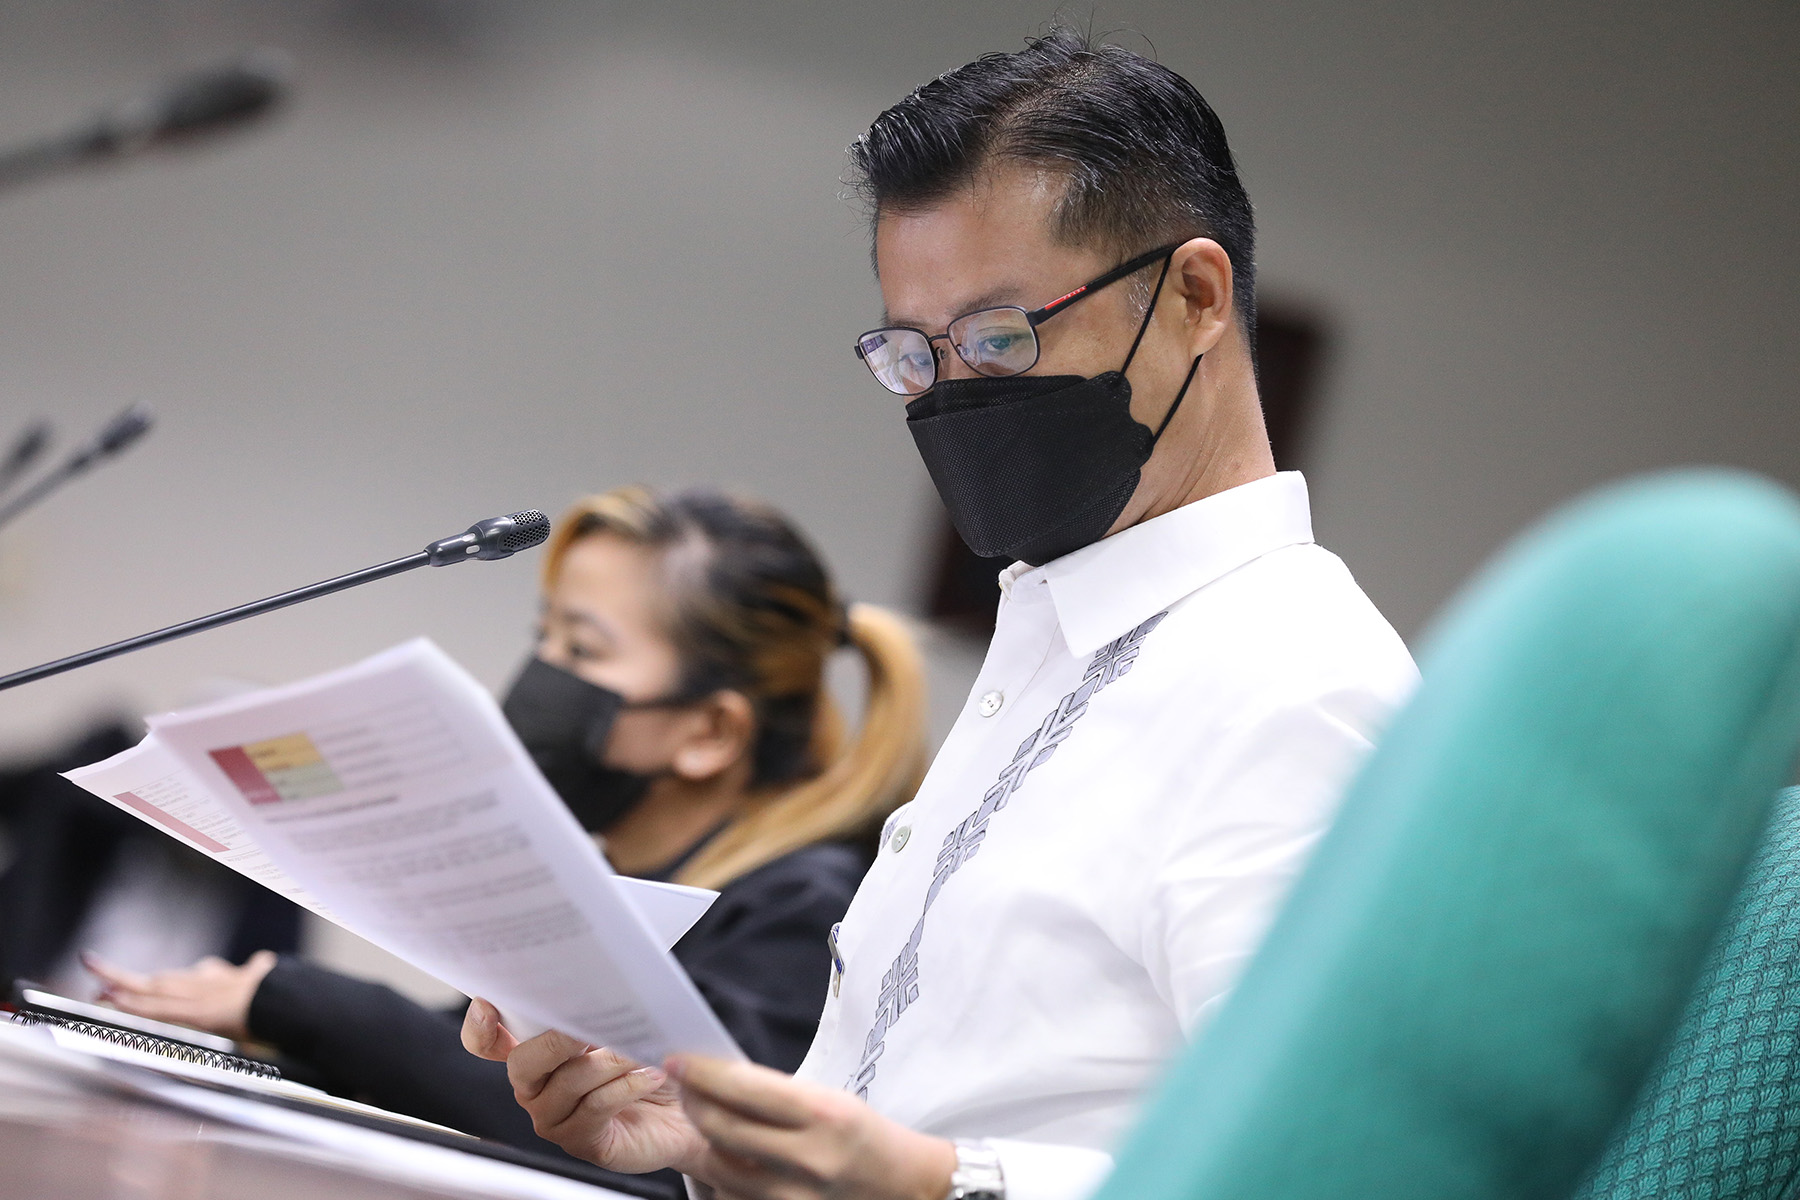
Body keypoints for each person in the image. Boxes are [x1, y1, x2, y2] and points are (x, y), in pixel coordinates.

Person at [464, 25, 1422, 1200]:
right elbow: (918, 1112)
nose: (955, 393)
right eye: (915, 354)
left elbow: (1334, 1175)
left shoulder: (1297, 687)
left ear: (1195, 297)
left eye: (1001, 337)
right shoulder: (1057, 642)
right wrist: (710, 1138)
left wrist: (932, 1182)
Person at [85, 486, 928, 1172]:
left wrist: (293, 999)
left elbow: (642, 1141)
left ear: (709, 732)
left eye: (582, 650)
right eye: (543, 636)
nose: (541, 676)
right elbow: (471, 1064)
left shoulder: (809, 913)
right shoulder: (623, 874)